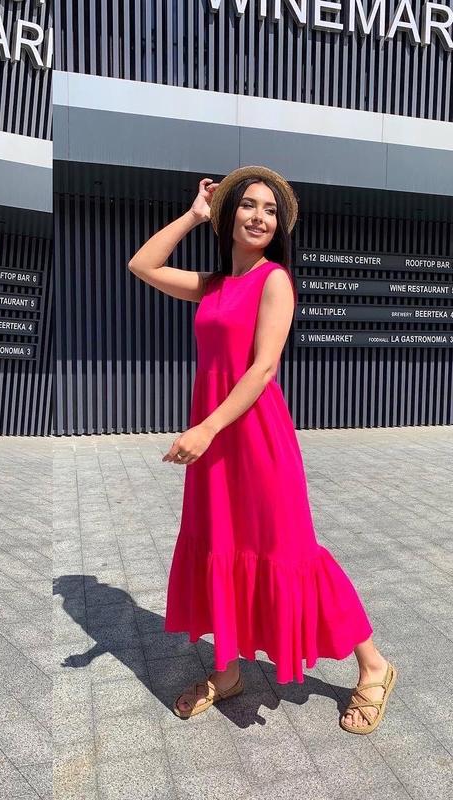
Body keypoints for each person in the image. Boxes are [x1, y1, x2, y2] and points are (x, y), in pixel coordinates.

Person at [127, 166, 396, 734]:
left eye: (271, 211)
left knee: (293, 552)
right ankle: (228, 672)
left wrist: (206, 429)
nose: (260, 217)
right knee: (219, 545)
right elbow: (142, 266)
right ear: (228, 216)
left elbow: (263, 368)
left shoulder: (274, 280)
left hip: (253, 438)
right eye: (249, 205)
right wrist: (193, 215)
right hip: (216, 445)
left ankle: (373, 665)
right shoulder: (213, 284)